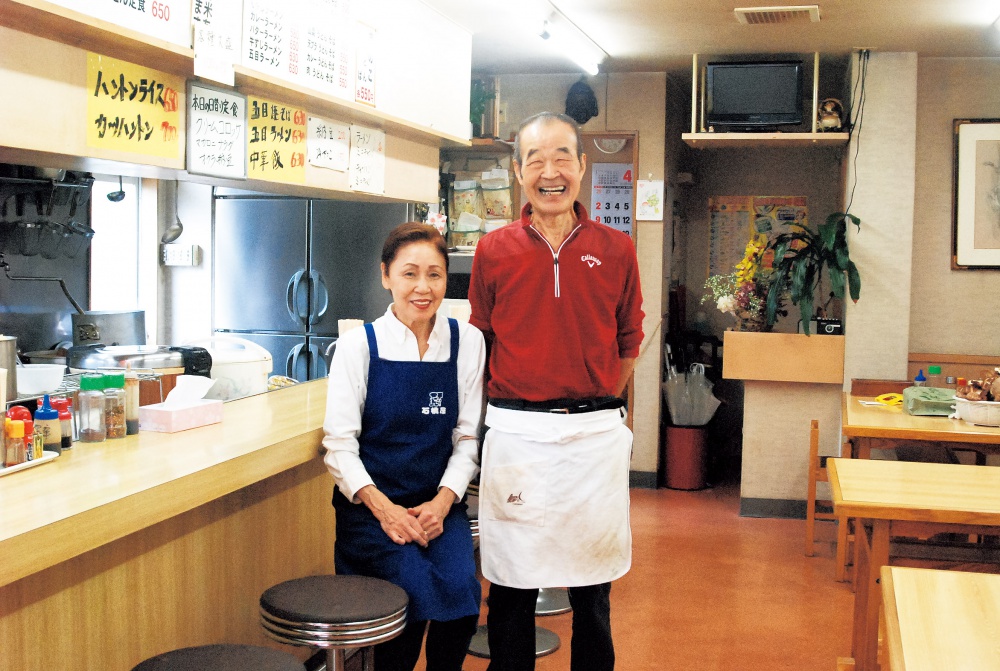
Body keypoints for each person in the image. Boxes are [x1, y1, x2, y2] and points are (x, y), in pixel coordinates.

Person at [468, 112, 644, 671]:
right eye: (536, 159)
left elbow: (628, 342)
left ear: (583, 166)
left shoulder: (616, 249)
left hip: (593, 435)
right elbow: (483, 341)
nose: (551, 170)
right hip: (516, 434)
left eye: (563, 156)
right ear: (518, 170)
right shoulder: (493, 249)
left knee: (593, 594)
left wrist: (592, 400)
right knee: (511, 587)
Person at [323, 222, 485, 671]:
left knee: (462, 596)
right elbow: (338, 447)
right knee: (410, 593)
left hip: (438, 507)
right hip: (371, 514)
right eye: (409, 273)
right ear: (385, 275)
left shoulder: (466, 341)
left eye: (434, 274)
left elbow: (467, 437)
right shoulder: (359, 347)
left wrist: (443, 500)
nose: (422, 287)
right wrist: (385, 510)